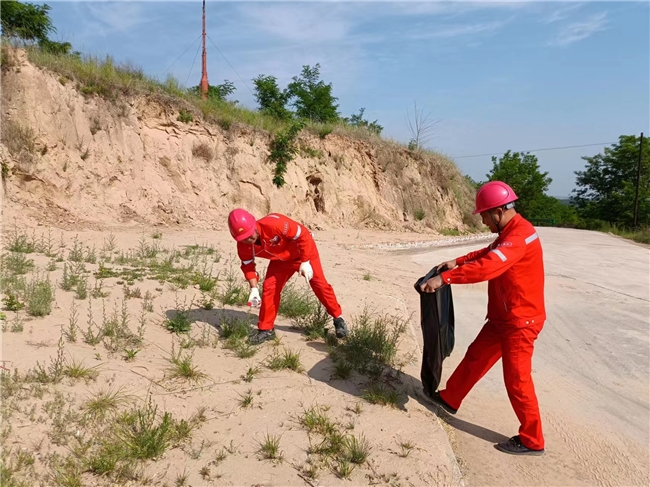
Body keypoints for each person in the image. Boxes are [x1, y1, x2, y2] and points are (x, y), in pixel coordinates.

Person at [419, 180, 546, 456]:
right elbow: (489, 251)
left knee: (517, 380)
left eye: (486, 216)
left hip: (520, 322)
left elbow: (489, 266)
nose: (484, 222)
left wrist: (446, 278)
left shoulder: (519, 236)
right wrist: (460, 261)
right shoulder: (510, 232)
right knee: (475, 357)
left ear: (499, 211)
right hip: (504, 317)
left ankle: (532, 440)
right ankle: (450, 399)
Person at [227, 208, 348, 344]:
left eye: (250, 235)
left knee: (319, 284)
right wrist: (254, 288)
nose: (248, 240)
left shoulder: (274, 225)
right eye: (243, 239)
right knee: (269, 288)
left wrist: (306, 261)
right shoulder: (243, 246)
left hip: (303, 254)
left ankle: (338, 319)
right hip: (280, 260)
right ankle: (266, 329)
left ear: (254, 224)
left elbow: (303, 234)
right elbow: (248, 265)